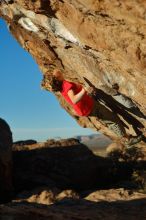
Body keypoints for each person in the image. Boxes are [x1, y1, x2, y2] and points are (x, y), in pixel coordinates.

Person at [50, 69, 142, 147]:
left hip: (87, 106)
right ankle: (127, 140)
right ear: (56, 77)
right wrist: (84, 90)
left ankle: (125, 137)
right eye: (54, 72)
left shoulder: (62, 86)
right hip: (89, 107)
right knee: (112, 119)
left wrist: (87, 93)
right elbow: (74, 100)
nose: (56, 70)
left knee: (109, 119)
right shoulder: (66, 85)